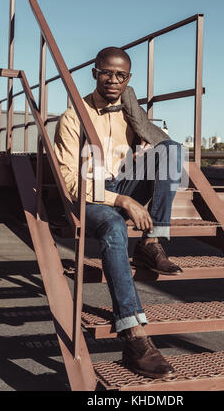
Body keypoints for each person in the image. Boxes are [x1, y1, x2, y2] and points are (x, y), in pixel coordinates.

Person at [54, 47, 185, 379]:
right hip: (90, 196)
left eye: (121, 76)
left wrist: (135, 112)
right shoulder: (73, 116)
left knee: (171, 150)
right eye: (107, 73)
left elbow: (160, 147)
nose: (113, 80)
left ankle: (152, 241)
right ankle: (133, 335)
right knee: (113, 225)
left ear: (129, 79)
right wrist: (123, 202)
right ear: (95, 72)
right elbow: (69, 182)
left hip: (121, 182)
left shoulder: (129, 107)